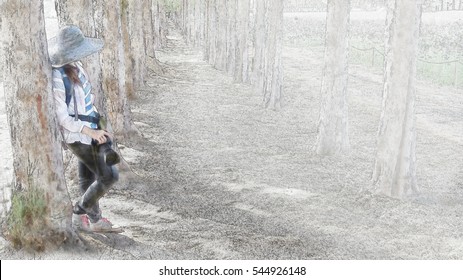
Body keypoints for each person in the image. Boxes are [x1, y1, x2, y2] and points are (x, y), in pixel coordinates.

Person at [48, 25, 121, 233]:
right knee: (110, 176)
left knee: (87, 178)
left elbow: (88, 102)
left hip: (91, 131)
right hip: (78, 136)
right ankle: (80, 211)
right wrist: (91, 132)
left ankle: (94, 221)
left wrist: (99, 128)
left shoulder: (77, 66)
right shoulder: (57, 77)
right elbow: (63, 118)